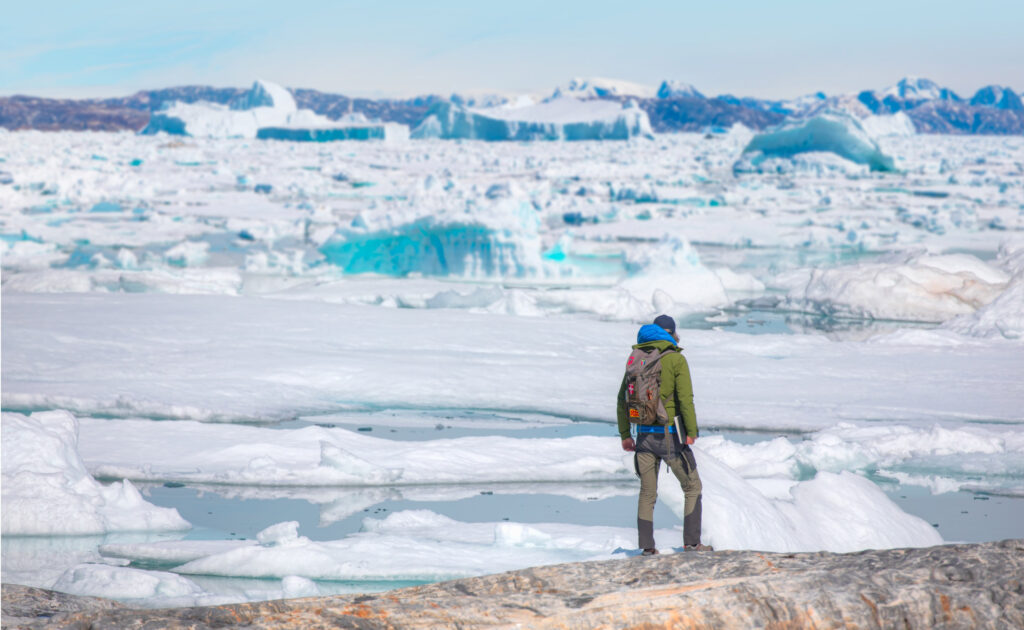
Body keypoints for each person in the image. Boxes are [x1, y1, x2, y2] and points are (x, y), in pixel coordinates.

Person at [617, 314, 710, 555]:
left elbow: (622, 399)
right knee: (692, 487)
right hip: (670, 437)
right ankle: (692, 543)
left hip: (643, 437)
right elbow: (685, 400)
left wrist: (626, 435)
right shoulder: (676, 359)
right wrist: (691, 432)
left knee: (647, 493)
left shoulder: (635, 359)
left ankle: (647, 548)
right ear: (672, 333)